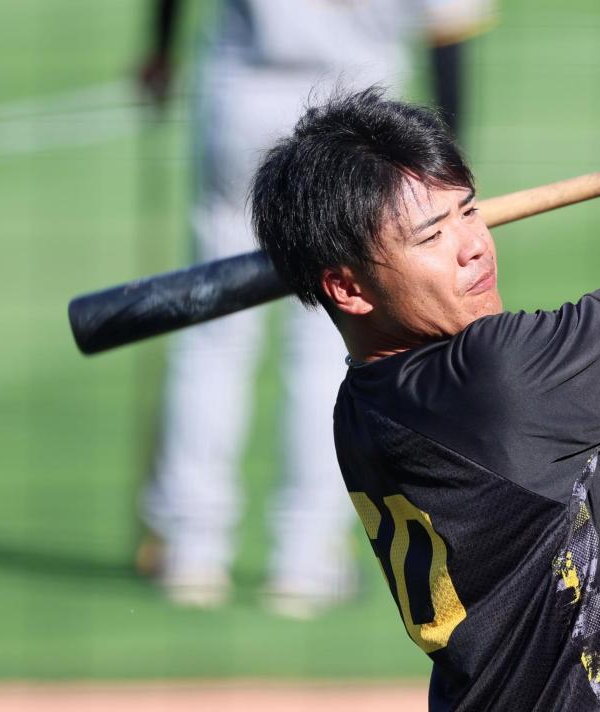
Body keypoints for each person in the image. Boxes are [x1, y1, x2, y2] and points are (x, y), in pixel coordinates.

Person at [251, 89, 600, 709]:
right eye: (431, 236)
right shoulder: (491, 378)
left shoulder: (372, 405)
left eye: (468, 212)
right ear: (347, 288)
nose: (474, 245)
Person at [136, 0, 493, 616]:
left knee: (214, 330)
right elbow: (447, 28)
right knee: (329, 337)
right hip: (357, 122)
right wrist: (447, 178)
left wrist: (162, 49)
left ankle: (192, 549)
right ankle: (305, 559)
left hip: (242, 93)